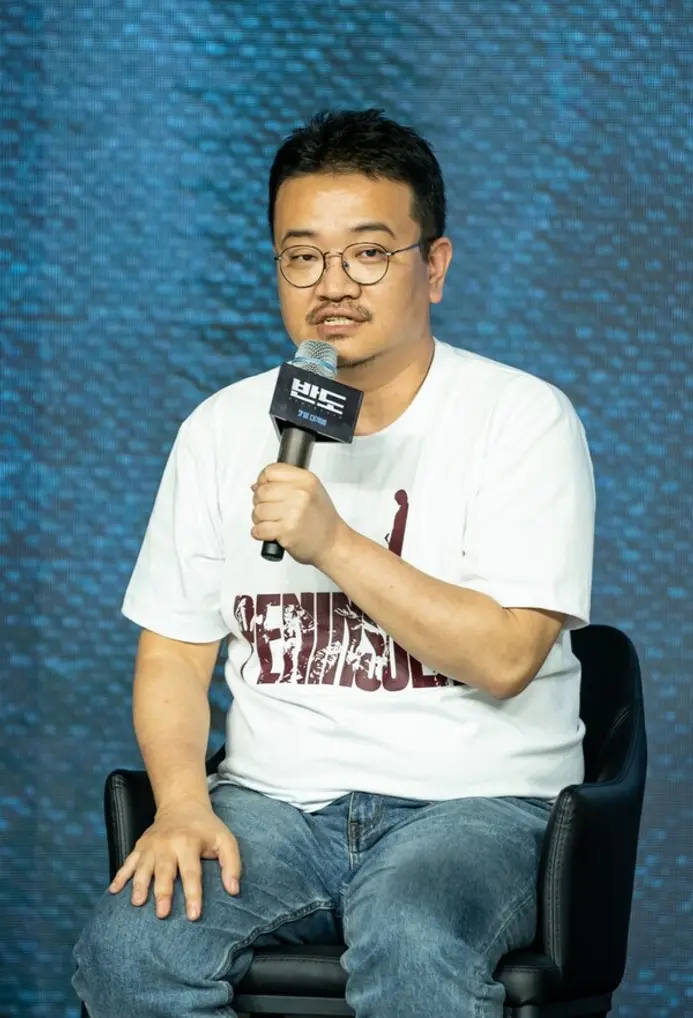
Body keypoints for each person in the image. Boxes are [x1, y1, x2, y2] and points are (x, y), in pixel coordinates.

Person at [73, 108, 595, 1018]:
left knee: (411, 936)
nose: (333, 285)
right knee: (130, 949)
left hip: (477, 806)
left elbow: (508, 656)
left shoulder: (520, 419)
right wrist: (183, 803)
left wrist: (336, 544)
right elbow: (175, 653)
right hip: (272, 807)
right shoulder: (222, 427)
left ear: (433, 265)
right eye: (302, 257)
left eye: (368, 254)